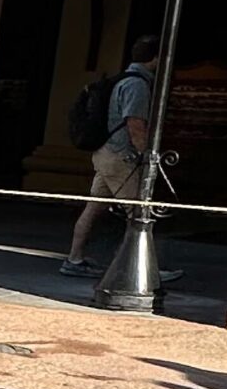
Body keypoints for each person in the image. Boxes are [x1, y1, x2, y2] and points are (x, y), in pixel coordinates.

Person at [63, 40, 157, 278]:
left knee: (94, 207)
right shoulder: (138, 85)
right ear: (155, 58)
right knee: (138, 212)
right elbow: (135, 124)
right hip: (120, 156)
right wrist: (147, 155)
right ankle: (134, 268)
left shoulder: (122, 79)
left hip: (105, 153)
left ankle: (74, 258)